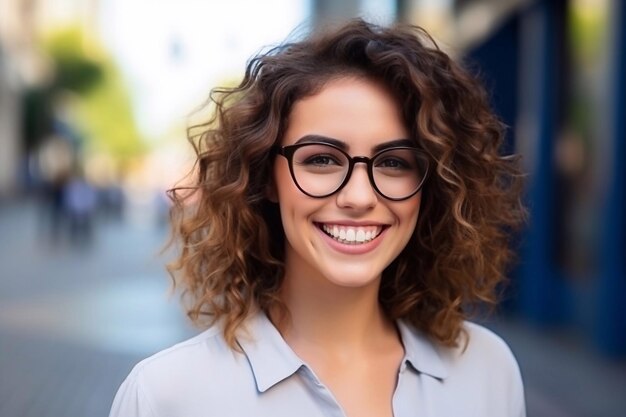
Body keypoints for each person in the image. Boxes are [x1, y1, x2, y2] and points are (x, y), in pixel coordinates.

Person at [109, 18, 527, 417]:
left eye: (394, 162)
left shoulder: (488, 371)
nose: (359, 196)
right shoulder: (166, 396)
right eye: (323, 159)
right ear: (265, 176)